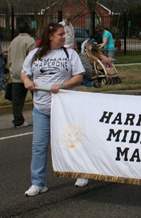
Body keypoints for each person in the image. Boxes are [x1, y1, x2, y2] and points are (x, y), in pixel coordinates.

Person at [22, 22, 85, 195]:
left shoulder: (69, 53)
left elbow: (79, 76)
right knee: (39, 146)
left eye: (64, 34)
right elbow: (24, 72)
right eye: (60, 34)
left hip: (65, 108)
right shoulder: (35, 54)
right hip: (41, 108)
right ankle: (38, 183)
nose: (64, 36)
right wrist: (27, 81)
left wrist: (63, 85)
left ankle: (81, 172)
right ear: (50, 36)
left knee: (71, 142)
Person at [8, 20, 36, 128]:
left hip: (15, 70)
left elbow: (10, 56)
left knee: (17, 99)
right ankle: (38, 117)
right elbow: (33, 57)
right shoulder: (30, 41)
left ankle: (18, 119)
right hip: (27, 72)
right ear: (28, 29)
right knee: (36, 96)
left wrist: (10, 67)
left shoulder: (14, 41)